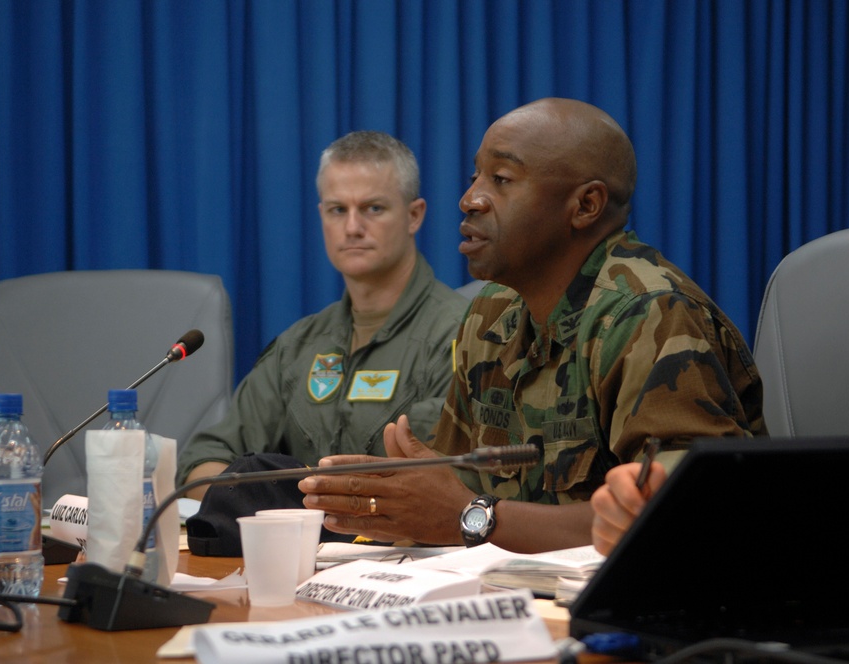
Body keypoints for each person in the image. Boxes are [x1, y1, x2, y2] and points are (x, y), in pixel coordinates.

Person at [298, 98, 765, 553]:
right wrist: (415, 499)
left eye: (500, 179)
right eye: (474, 176)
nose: (469, 199)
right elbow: (455, 496)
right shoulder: (490, 314)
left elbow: (688, 517)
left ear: (585, 206)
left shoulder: (649, 315)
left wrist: (470, 514)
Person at [177, 131, 469, 499]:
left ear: (414, 215)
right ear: (321, 216)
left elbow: (446, 484)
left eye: (372, 208)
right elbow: (202, 462)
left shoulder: (462, 336)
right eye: (337, 210)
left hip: (410, 553)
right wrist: (268, 513)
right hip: (298, 548)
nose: (352, 227)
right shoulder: (298, 346)